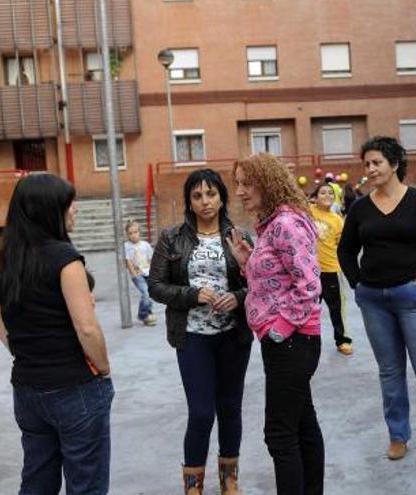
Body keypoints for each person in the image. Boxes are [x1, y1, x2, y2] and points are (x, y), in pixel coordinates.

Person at [338, 136, 416, 466]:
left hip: (415, 299)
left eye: (377, 162)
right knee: (390, 372)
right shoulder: (360, 207)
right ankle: (398, 436)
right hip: (374, 301)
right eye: (366, 163)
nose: (370, 169)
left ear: (395, 164)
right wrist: (358, 284)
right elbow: (346, 250)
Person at [0, 174, 114, 495]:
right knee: (86, 484)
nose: (75, 210)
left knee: (37, 481)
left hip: (28, 390)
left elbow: (4, 334)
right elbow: (86, 328)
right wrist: (103, 370)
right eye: (68, 204)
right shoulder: (65, 260)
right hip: (74, 387)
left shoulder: (4, 263)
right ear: (48, 210)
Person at [148, 169, 253, 495]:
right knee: (201, 412)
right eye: (197, 196)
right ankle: (193, 486)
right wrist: (193, 295)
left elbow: (260, 284)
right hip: (192, 336)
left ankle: (229, 482)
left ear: (222, 197)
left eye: (211, 194)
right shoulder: (171, 237)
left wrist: (236, 298)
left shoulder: (241, 236)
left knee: (231, 407)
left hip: (233, 335)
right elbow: (155, 286)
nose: (205, 202)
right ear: (189, 202)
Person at [227, 154, 324, 495]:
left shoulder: (285, 224)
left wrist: (280, 328)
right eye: (237, 183)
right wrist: (247, 262)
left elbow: (310, 285)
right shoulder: (271, 224)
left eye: (247, 183)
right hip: (285, 340)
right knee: (303, 424)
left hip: (292, 340)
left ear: (267, 183)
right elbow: (277, 280)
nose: (239, 191)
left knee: (280, 434)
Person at [310, 183, 353, 355]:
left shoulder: (337, 220)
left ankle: (342, 340)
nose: (327, 195)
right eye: (322, 192)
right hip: (310, 271)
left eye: (330, 193)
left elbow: (341, 245)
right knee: (310, 309)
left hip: (332, 270)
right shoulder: (308, 211)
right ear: (315, 196)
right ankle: (308, 341)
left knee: (337, 309)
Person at [124, 221, 158, 326]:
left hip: (148, 273)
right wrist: (134, 274)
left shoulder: (145, 245)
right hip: (138, 275)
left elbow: (151, 259)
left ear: (139, 232)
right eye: (130, 233)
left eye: (136, 232)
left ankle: (147, 314)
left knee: (149, 294)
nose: (134, 235)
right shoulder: (126, 246)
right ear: (127, 235)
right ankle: (143, 314)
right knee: (146, 293)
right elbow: (128, 261)